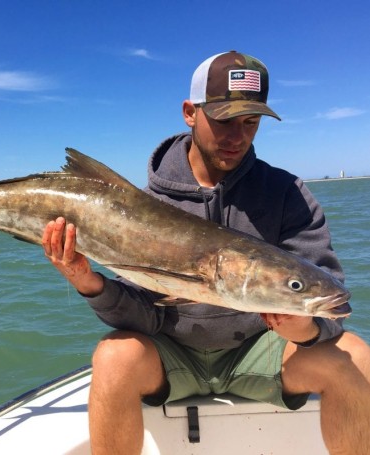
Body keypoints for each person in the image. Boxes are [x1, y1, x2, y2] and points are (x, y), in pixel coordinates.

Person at [41, 51, 370, 455]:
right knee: (112, 357)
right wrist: (88, 282)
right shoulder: (142, 210)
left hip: (261, 350)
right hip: (172, 352)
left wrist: (302, 328)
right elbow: (141, 315)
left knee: (355, 356)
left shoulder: (288, 194)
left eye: (250, 123)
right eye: (223, 120)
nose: (237, 137)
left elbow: (328, 300)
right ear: (189, 112)